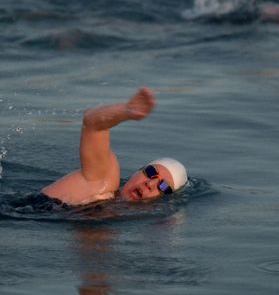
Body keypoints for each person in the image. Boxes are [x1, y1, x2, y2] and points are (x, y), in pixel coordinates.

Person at [41, 87, 188, 206]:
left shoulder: (113, 212)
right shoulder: (103, 181)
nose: (151, 183)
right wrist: (126, 111)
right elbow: (92, 123)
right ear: (137, 172)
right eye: (151, 172)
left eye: (164, 187)